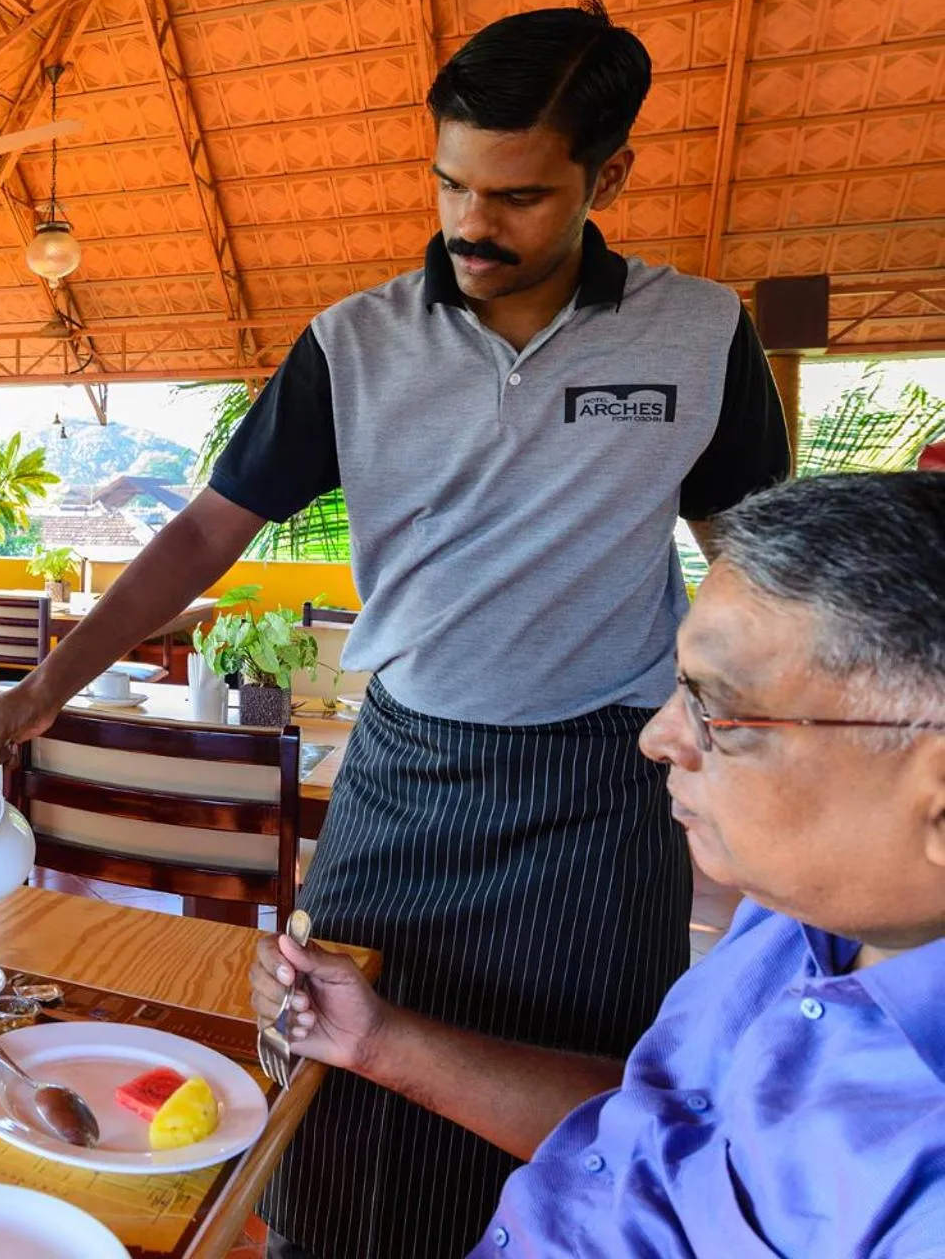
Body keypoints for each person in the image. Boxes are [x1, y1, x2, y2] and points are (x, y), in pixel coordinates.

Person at [0, 0, 790, 1255]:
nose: (470, 223)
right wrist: (43, 688)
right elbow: (204, 532)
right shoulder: (352, 343)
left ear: (607, 176)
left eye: (516, 194)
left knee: (575, 1110)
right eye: (452, 182)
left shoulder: (701, 333)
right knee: (329, 1072)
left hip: (600, 784)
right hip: (401, 774)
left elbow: (758, 568)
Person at [252, 471, 945, 1256]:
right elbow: (664, 1138)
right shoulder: (790, 926)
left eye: (718, 709)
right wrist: (375, 1040)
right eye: (678, 689)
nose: (657, 737)